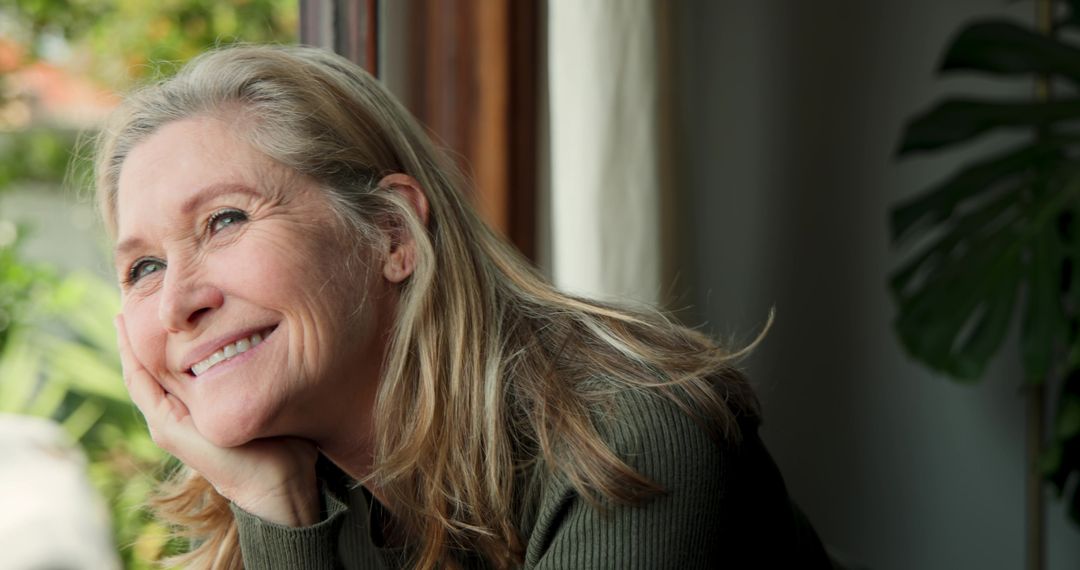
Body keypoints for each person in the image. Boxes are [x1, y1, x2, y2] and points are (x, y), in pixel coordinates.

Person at [97, 44, 834, 569]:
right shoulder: (295, 487)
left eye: (225, 221)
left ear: (391, 233)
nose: (176, 305)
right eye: (145, 267)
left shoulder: (624, 441)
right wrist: (269, 504)